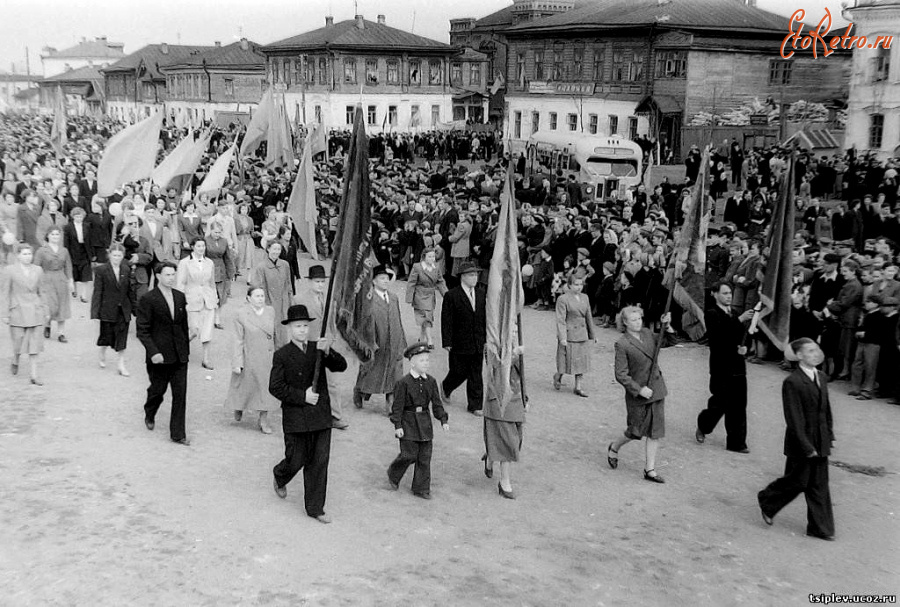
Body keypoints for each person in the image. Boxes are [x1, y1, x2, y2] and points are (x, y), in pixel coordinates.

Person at [270, 304, 348, 524]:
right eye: (298, 326)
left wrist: (328, 351)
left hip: (321, 415)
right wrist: (301, 396)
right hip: (296, 417)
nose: (303, 330)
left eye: (305, 326)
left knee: (319, 461)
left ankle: (315, 508)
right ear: (290, 328)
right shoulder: (282, 355)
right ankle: (280, 474)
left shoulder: (317, 348)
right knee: (296, 459)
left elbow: (340, 366)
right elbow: (275, 387)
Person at [757, 338, 835, 541]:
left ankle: (821, 528)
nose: (816, 353)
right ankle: (767, 500)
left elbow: (826, 410)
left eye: (817, 349)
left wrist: (830, 435)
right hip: (801, 442)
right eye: (810, 350)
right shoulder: (792, 382)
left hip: (820, 439)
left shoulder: (822, 376)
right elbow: (793, 417)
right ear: (799, 356)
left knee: (819, 483)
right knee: (798, 480)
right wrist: (806, 445)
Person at [607, 306, 671, 483]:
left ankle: (649, 469)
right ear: (625, 322)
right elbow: (621, 374)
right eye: (633, 320)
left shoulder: (648, 334)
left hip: (656, 388)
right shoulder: (622, 343)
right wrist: (639, 389)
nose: (638, 322)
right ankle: (614, 446)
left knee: (655, 432)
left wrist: (667, 326)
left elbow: (666, 342)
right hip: (638, 394)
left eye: (639, 319)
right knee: (635, 431)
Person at [136, 261, 191, 446]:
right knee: (158, 390)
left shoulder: (180, 297)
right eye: (167, 275)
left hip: (179, 355)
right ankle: (150, 411)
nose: (171, 278)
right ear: (158, 276)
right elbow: (142, 330)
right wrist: (153, 352)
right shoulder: (148, 299)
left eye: (173, 274)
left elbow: (183, 325)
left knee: (180, 394)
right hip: (159, 355)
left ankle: (178, 434)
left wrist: (187, 348)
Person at [696, 282, 755, 453]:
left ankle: (737, 443)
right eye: (725, 293)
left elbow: (742, 335)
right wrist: (739, 320)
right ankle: (703, 425)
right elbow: (718, 337)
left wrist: (746, 347)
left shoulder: (735, 313)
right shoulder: (712, 314)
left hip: (738, 366)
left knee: (738, 405)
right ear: (715, 294)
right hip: (721, 366)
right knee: (719, 404)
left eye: (730, 293)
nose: (729, 296)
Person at [387, 343, 450, 500]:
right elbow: (397, 407)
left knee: (424, 457)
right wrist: (398, 425)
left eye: (427, 360)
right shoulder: (403, 383)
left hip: (424, 424)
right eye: (422, 360)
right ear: (412, 362)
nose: (426, 363)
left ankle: (421, 488)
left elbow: (436, 403)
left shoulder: (431, 382)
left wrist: (443, 419)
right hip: (408, 423)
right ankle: (394, 473)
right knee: (408, 455)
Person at [293, 264, 348, 430]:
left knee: (333, 383)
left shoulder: (330, 299)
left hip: (327, 346)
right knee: (307, 382)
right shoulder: (299, 299)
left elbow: (332, 322)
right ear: (310, 281)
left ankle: (335, 416)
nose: (320, 285)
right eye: (317, 281)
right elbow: (296, 326)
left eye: (322, 282)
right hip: (309, 344)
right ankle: (304, 415)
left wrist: (332, 339)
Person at [224, 286, 279, 434]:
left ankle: (263, 419)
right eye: (257, 296)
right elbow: (237, 340)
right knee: (244, 385)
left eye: (262, 296)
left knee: (265, 389)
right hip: (249, 356)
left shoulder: (270, 311)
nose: (260, 299)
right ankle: (239, 405)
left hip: (267, 358)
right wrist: (237, 362)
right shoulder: (241, 314)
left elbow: (275, 334)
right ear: (249, 298)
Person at [353, 265, 407, 414]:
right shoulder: (368, 299)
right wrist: (368, 342)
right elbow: (363, 323)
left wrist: (402, 339)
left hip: (394, 340)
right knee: (371, 369)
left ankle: (391, 403)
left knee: (395, 371)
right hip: (377, 340)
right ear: (374, 281)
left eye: (387, 278)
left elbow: (398, 319)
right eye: (382, 278)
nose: (385, 281)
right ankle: (360, 390)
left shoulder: (394, 298)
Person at [441, 261, 487, 416]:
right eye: (471, 275)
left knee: (476, 373)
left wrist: (486, 338)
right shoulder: (452, 295)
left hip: (477, 340)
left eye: (476, 274)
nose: (475, 278)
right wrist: (447, 341)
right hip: (459, 341)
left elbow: (484, 318)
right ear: (462, 277)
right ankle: (446, 387)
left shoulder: (481, 294)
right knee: (459, 371)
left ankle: (475, 405)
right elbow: (446, 320)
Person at [483, 344, 526, 499]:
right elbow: (496, 365)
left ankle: (490, 455)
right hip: (499, 399)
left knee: (516, 439)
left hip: (515, 398)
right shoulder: (491, 343)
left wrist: (525, 397)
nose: (513, 331)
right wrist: (514, 354)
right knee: (507, 441)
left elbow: (521, 374)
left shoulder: (516, 343)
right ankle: (504, 482)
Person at [1, 244, 48, 384]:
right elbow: (4, 293)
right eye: (25, 254)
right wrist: (4, 313)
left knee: (34, 343)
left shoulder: (38, 270)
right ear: (18, 256)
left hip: (35, 309)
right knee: (18, 341)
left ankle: (34, 375)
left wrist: (46, 309)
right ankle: (16, 358)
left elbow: (43, 291)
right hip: (17, 309)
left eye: (29, 254)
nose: (28, 257)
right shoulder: (10, 270)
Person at [90, 242, 137, 376]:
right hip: (107, 308)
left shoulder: (126, 270)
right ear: (109, 255)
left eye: (119, 255)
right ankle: (102, 351)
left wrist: (135, 309)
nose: (117, 258)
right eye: (114, 255)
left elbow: (130, 291)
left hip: (123, 309)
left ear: (123, 256)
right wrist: (95, 313)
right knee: (106, 336)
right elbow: (97, 292)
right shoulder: (101, 270)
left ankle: (121, 364)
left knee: (122, 338)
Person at [176, 236, 218, 370]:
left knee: (207, 331)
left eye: (203, 246)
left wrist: (215, 298)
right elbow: (180, 283)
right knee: (193, 330)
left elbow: (212, 283)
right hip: (191, 299)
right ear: (193, 247)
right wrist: (180, 302)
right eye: (199, 246)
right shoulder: (184, 263)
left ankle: (206, 359)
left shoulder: (209, 262)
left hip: (208, 299)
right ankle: (178, 349)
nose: (201, 249)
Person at [553, 274, 596, 397]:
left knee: (581, 361)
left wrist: (592, 335)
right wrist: (562, 337)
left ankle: (578, 386)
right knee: (565, 361)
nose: (579, 287)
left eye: (581, 284)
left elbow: (588, 316)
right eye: (576, 284)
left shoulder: (585, 298)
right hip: (569, 334)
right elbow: (560, 319)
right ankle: (558, 375)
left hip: (582, 334)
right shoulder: (563, 299)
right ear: (569, 285)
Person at [34, 226, 74, 343]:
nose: (55, 237)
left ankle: (61, 333)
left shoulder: (64, 250)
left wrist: (70, 280)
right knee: (50, 305)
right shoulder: (42, 250)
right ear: (48, 236)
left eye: (57, 234)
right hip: (47, 279)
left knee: (62, 305)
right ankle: (47, 324)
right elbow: (36, 267)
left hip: (61, 279)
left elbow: (68, 266)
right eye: (52, 234)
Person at [250, 240, 292, 348]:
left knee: (282, 332)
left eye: (278, 249)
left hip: (283, 304)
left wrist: (289, 302)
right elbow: (258, 288)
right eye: (274, 249)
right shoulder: (261, 267)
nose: (276, 252)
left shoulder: (285, 265)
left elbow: (288, 285)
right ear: (268, 249)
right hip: (269, 303)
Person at [405, 248, 448, 348]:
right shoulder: (417, 267)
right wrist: (409, 297)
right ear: (424, 257)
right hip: (420, 294)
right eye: (429, 256)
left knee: (427, 316)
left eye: (433, 256)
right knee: (426, 316)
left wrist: (446, 295)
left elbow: (440, 282)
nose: (432, 259)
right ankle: (429, 339)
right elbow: (411, 282)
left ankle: (422, 337)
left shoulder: (436, 268)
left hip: (430, 295)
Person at [205, 222, 235, 330]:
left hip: (221, 270)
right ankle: (207, 319)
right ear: (211, 230)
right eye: (215, 232)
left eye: (219, 232)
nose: (217, 234)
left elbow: (228, 258)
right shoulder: (205, 240)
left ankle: (217, 319)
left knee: (220, 296)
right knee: (209, 295)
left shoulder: (224, 241)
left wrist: (231, 272)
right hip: (208, 269)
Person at [63, 207, 94, 303]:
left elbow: (90, 240)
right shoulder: (68, 227)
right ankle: (74, 290)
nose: (78, 218)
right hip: (73, 252)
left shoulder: (87, 226)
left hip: (84, 251)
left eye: (80, 216)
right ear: (73, 217)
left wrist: (92, 253)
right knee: (74, 273)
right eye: (76, 216)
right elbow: (66, 242)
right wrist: (66, 254)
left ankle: (83, 295)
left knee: (86, 275)